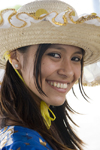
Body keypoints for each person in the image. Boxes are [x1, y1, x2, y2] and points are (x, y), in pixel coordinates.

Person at [0, 0, 100, 149]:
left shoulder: (35, 125)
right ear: (15, 58)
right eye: (55, 54)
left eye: (75, 58)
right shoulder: (23, 143)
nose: (68, 71)